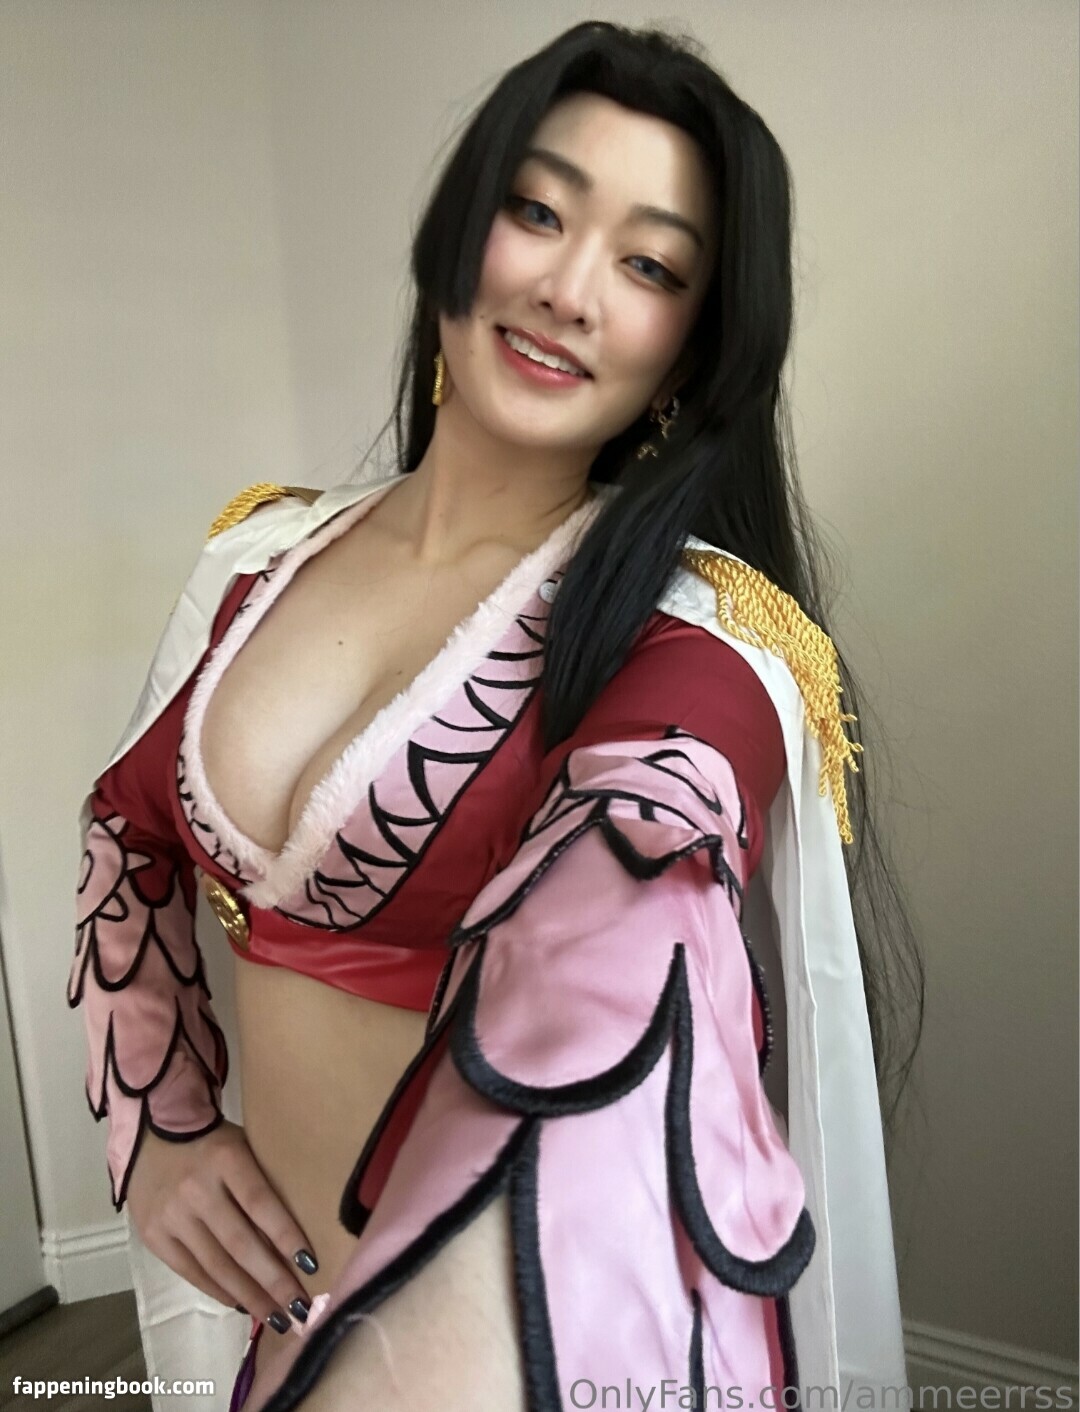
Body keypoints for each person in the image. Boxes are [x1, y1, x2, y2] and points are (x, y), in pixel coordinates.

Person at [68, 20, 923, 1412]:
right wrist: (158, 1130)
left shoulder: (702, 649)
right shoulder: (252, 561)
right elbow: (128, 825)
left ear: (696, 348)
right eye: (537, 211)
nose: (570, 289)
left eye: (651, 266)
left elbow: (623, 950)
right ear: (456, 230)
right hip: (266, 1333)